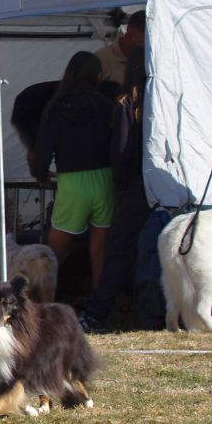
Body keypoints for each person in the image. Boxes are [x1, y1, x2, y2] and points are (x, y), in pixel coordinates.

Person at [79, 47, 150, 333]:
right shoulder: (162, 102)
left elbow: (119, 151)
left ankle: (97, 312)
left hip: (135, 187)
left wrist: (120, 183)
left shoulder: (126, 103)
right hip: (163, 184)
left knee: (119, 251)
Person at [32, 51, 115, 293]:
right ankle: (100, 303)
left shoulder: (56, 107)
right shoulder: (105, 105)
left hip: (71, 181)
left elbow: (44, 147)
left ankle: (41, 298)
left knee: (54, 250)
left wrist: (41, 174)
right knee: (100, 249)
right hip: (104, 178)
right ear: (96, 75)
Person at [95, 10, 145, 86]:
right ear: (130, 31)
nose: (146, 45)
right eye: (143, 41)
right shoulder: (102, 58)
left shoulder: (148, 59)